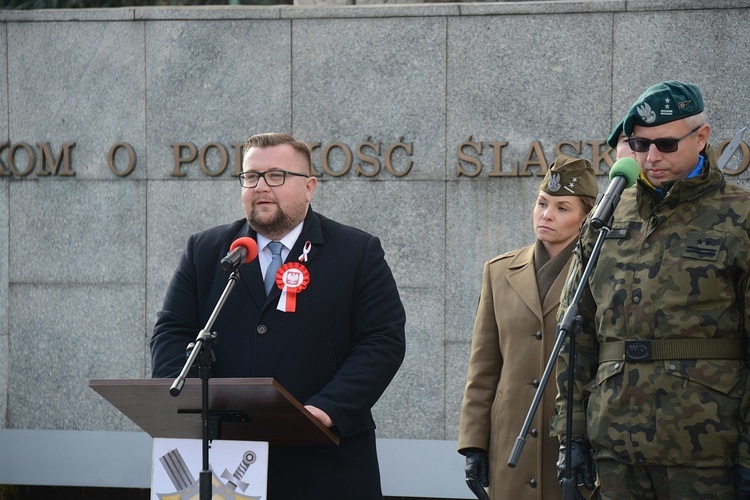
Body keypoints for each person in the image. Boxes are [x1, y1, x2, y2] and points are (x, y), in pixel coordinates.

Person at [150, 132, 407, 499]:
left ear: (309, 187)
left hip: (323, 459)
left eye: (276, 175)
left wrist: (325, 409)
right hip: (222, 457)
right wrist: (186, 404)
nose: (261, 186)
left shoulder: (357, 252)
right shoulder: (207, 251)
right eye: (251, 176)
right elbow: (173, 331)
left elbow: (382, 341)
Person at [552, 80, 750, 499]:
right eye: (640, 145)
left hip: (708, 451)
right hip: (616, 449)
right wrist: (572, 435)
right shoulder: (608, 217)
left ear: (702, 137)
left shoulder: (740, 216)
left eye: (665, 143)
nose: (651, 157)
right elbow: (577, 332)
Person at [458, 155, 598, 500]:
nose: (546, 214)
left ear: (585, 219)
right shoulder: (499, 272)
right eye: (542, 203)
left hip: (573, 443)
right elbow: (484, 368)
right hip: (510, 446)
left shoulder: (599, 273)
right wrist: (474, 444)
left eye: (562, 208)